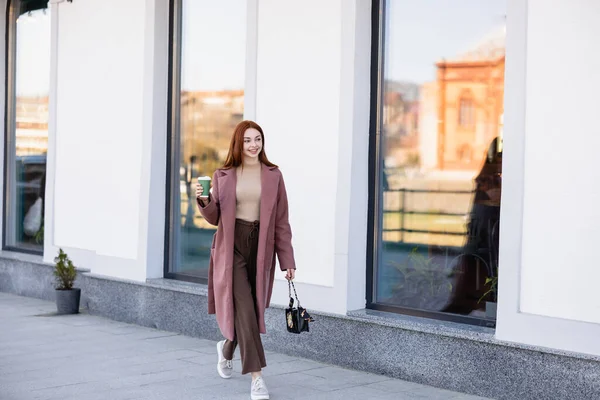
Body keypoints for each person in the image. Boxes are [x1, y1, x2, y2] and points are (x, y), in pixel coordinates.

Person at [196, 120, 296, 400]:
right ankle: (257, 377)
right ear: (238, 144)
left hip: (261, 245)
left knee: (250, 308)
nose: (253, 145)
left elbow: (281, 221)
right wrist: (204, 201)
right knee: (245, 307)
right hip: (232, 246)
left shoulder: (274, 175)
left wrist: (287, 259)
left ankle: (227, 349)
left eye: (258, 139)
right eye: (247, 140)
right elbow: (216, 218)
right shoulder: (224, 174)